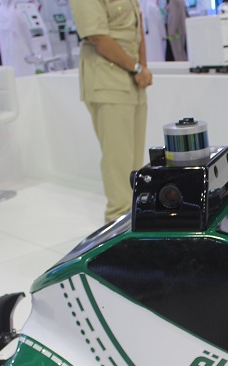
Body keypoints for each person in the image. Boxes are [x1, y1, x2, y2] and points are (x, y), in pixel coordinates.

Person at [70, 0, 153, 223]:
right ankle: (116, 226)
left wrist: (142, 68)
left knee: (135, 164)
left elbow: (138, 29)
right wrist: (136, 67)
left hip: (133, 83)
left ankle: (135, 224)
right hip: (107, 82)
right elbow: (97, 38)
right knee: (118, 163)